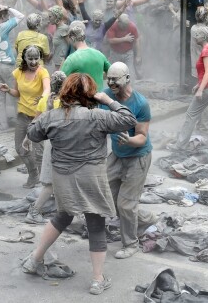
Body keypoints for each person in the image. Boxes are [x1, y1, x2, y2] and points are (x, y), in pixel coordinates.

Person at [22, 73, 137, 295]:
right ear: (90, 94)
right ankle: (97, 280)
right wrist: (108, 101)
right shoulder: (97, 116)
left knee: (62, 215)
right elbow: (128, 119)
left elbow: (33, 134)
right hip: (91, 176)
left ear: (65, 92)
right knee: (95, 223)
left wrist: (45, 111)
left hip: (63, 177)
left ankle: (34, 260)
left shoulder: (51, 117)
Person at [101, 62, 156, 259]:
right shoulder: (105, 96)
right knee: (106, 195)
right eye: (109, 79)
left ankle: (131, 244)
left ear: (127, 79)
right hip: (117, 156)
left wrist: (129, 140)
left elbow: (142, 136)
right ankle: (146, 219)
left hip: (137, 157)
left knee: (125, 204)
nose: (111, 83)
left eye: (115, 79)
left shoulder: (140, 104)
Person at [0, 45, 50, 188]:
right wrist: (8, 90)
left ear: (40, 58)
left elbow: (47, 89)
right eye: (30, 58)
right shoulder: (19, 72)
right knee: (20, 148)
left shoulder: (43, 72)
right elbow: (18, 93)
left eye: (36, 58)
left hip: (38, 117)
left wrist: (43, 97)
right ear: (25, 59)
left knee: (39, 152)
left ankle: (44, 184)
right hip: (22, 115)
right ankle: (34, 175)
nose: (33, 62)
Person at [25, 71, 66, 224]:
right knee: (50, 184)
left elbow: (36, 120)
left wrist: (27, 138)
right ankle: (34, 212)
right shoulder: (67, 101)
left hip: (51, 143)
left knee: (55, 182)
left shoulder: (45, 100)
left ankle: (64, 211)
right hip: (60, 144)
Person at [0, 4, 24, 130]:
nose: (7, 17)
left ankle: (3, 125)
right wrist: (9, 7)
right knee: (15, 94)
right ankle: (20, 122)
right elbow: (21, 16)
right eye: (6, 15)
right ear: (2, 16)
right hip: (7, 65)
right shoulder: (4, 27)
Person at [61, 21, 111, 90]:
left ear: (72, 38)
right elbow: (112, 72)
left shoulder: (71, 59)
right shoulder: (99, 54)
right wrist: (98, 75)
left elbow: (60, 80)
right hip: (99, 98)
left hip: (81, 99)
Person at [106, 14, 141, 82]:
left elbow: (137, 41)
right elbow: (111, 40)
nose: (125, 27)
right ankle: (113, 87)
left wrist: (138, 56)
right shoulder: (113, 25)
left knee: (129, 71)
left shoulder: (132, 26)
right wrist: (124, 39)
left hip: (128, 52)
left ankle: (130, 87)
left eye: (127, 25)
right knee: (113, 71)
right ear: (119, 22)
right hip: (115, 52)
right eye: (124, 25)